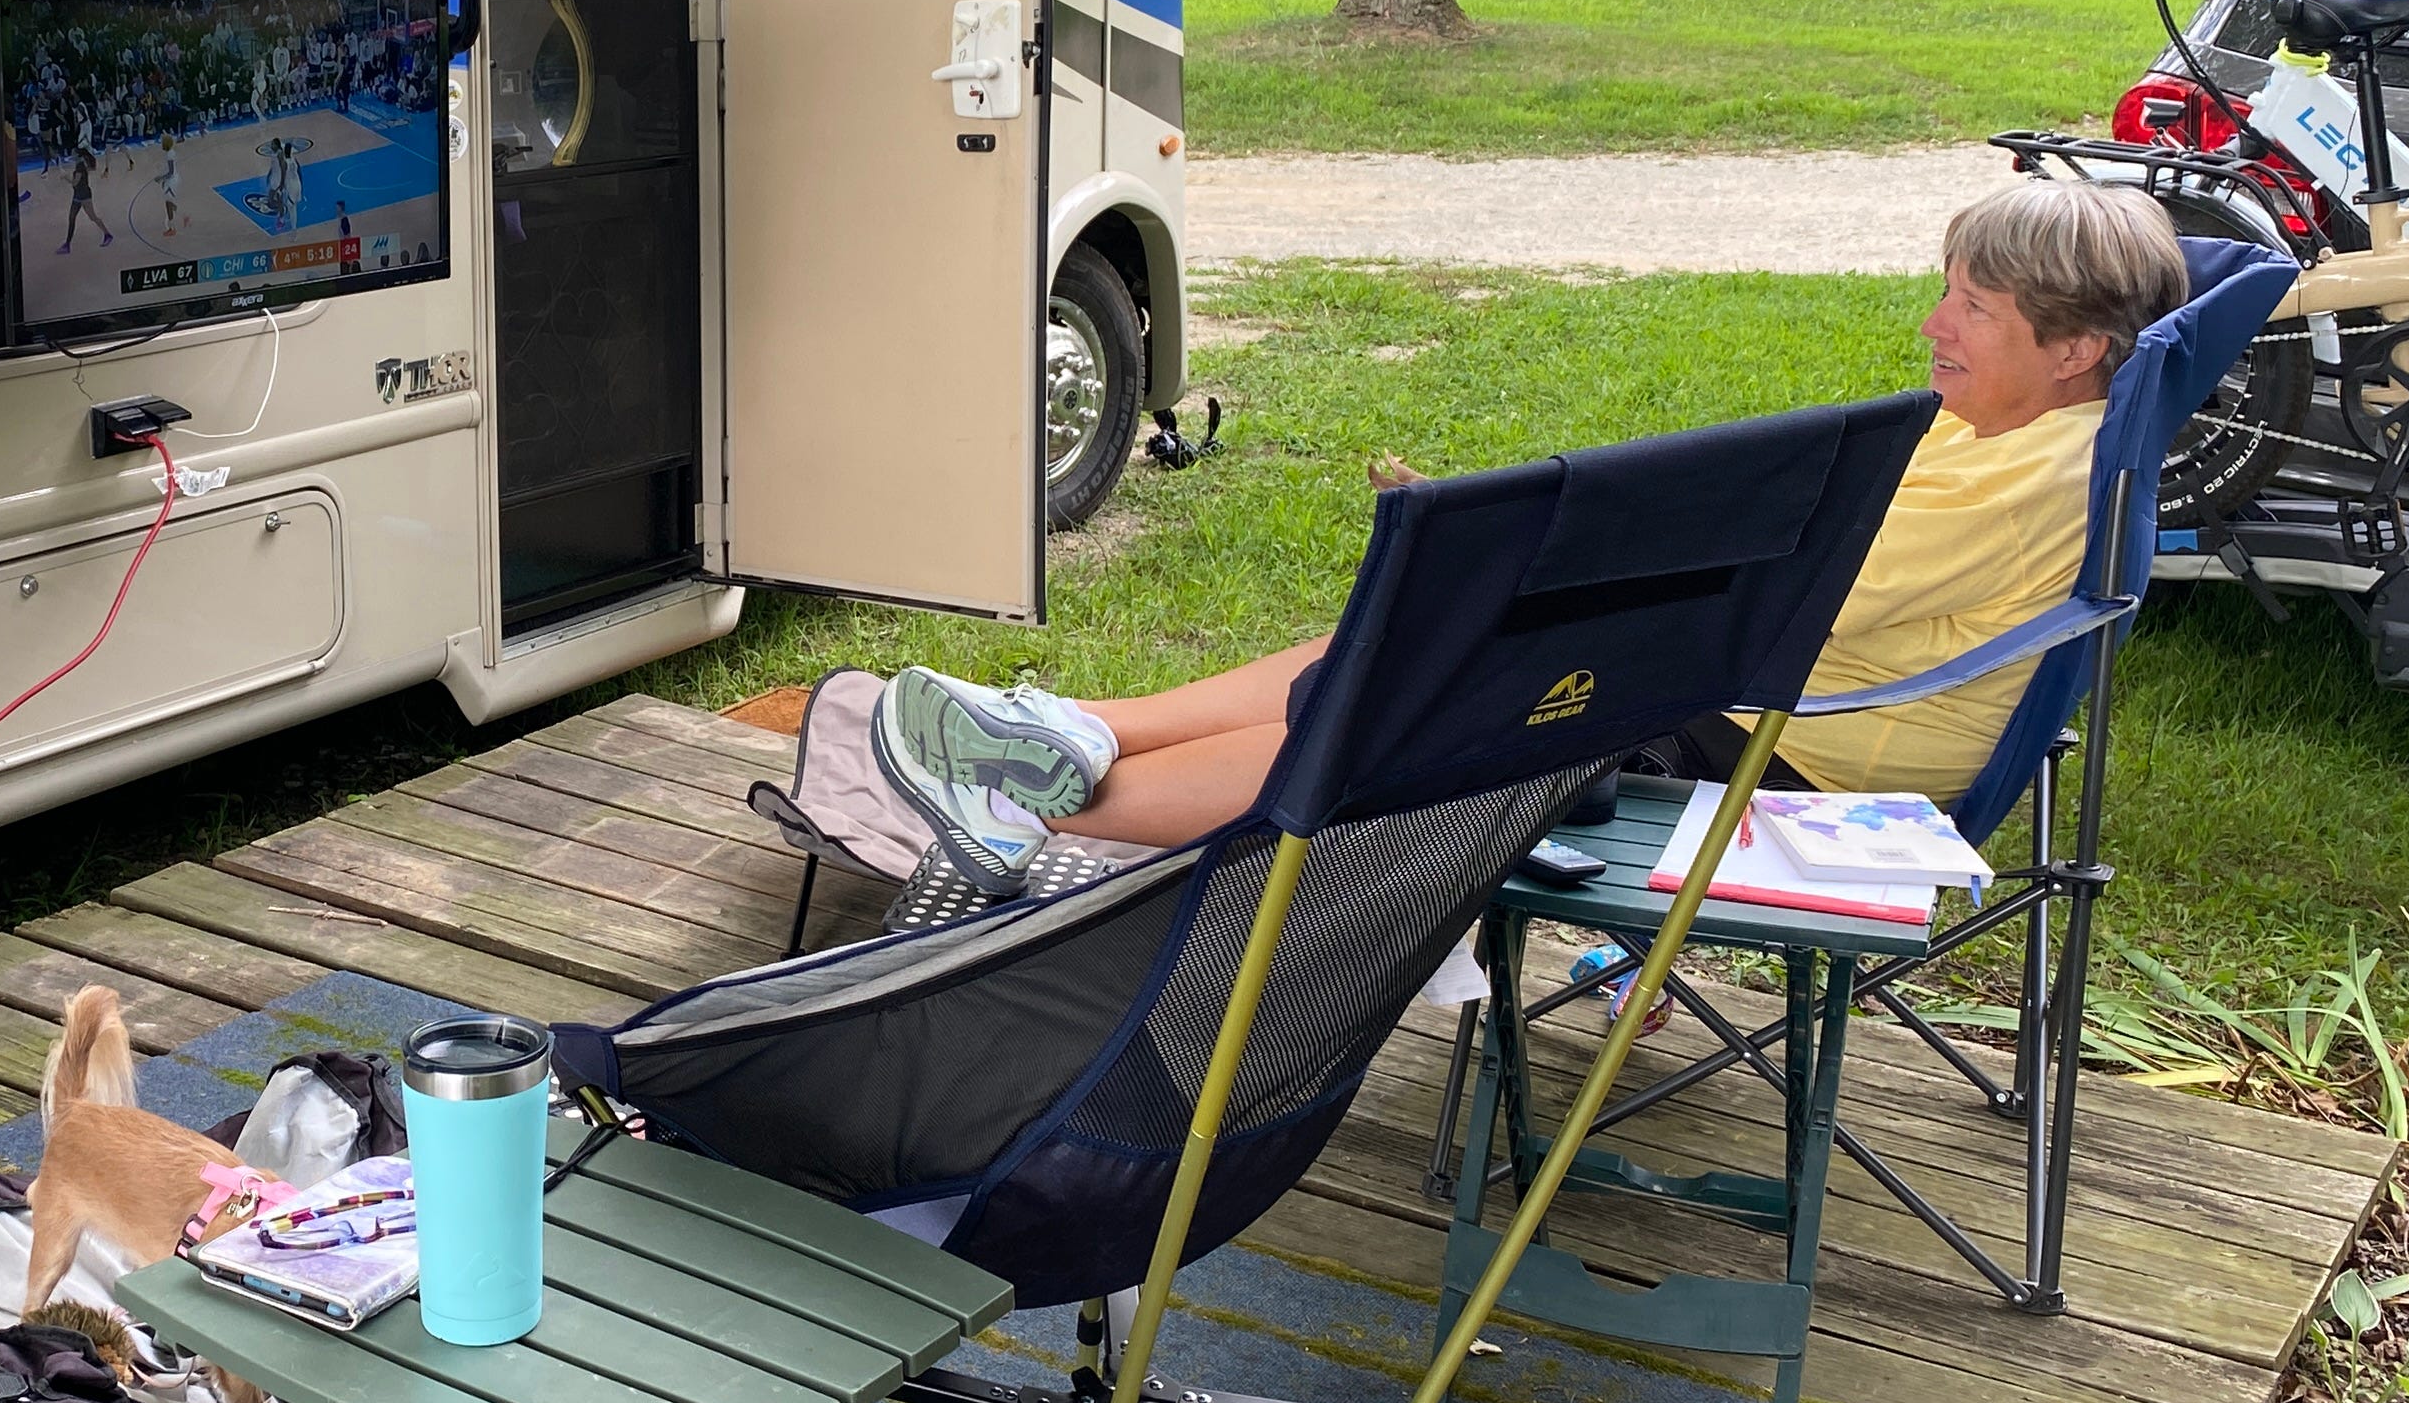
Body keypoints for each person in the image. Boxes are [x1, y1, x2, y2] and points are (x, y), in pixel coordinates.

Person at [870, 177, 2194, 888]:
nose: (1935, 326)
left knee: (1428, 695)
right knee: (1422, 636)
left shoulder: (2036, 471)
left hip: (1799, 754)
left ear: (2074, 349)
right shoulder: (2005, 426)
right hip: (1771, 698)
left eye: (1974, 310)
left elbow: (1793, 597)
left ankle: (1052, 812)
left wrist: (1562, 571)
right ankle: (1074, 736)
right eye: (1946, 292)